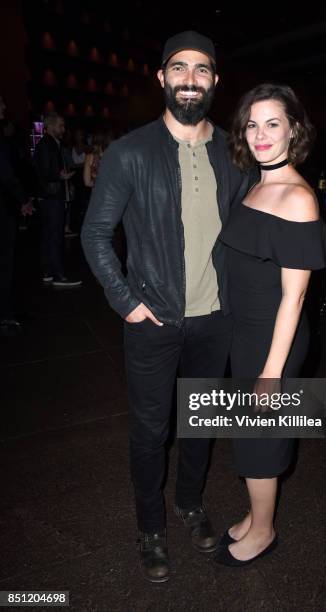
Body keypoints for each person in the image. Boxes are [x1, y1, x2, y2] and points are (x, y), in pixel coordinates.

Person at [81, 31, 250, 583]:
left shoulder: (233, 151)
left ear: (215, 81)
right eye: (180, 68)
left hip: (216, 320)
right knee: (151, 432)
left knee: (201, 424)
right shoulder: (131, 151)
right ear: (161, 77)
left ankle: (190, 503)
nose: (190, 79)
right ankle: (151, 526)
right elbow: (95, 233)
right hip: (152, 320)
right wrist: (126, 301)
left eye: (202, 70)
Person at [215, 83, 326, 567]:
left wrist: (271, 371)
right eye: (252, 124)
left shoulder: (298, 198)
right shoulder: (257, 183)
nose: (260, 134)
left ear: (293, 130)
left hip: (271, 338)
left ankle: (263, 531)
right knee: (248, 431)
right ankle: (253, 515)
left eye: (273, 123)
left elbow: (295, 296)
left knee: (261, 436)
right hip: (245, 331)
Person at [34, 113, 81, 287]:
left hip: (48, 197)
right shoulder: (48, 144)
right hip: (52, 197)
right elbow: (46, 172)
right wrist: (60, 176)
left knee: (48, 236)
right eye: (61, 125)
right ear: (51, 126)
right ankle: (58, 275)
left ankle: (48, 271)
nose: (63, 129)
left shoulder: (48, 144)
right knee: (55, 236)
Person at [0, 95, 34, 335]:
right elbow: (6, 174)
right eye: (0, 102)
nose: (4, 106)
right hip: (2, 210)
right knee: (5, 262)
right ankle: (5, 316)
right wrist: (22, 200)